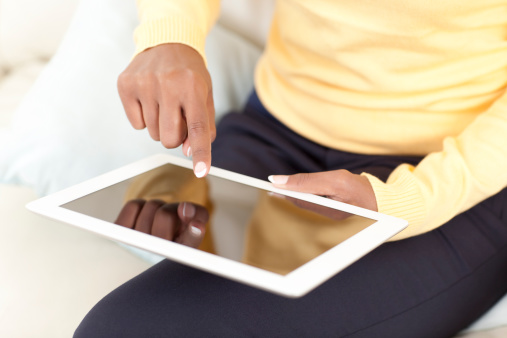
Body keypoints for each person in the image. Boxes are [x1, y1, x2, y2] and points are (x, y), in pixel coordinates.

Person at [74, 0, 507, 336]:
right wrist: (170, 37)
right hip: (275, 132)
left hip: (454, 178)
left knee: (119, 330)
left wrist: (407, 200)